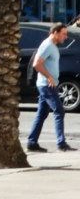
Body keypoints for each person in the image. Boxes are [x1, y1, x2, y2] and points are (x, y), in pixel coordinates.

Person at [27, 23, 77, 153]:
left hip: (48, 84)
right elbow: (37, 64)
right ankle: (61, 143)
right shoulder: (47, 45)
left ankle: (32, 143)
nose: (65, 37)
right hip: (46, 85)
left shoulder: (52, 46)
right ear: (55, 32)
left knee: (41, 114)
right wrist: (49, 76)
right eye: (64, 34)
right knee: (59, 111)